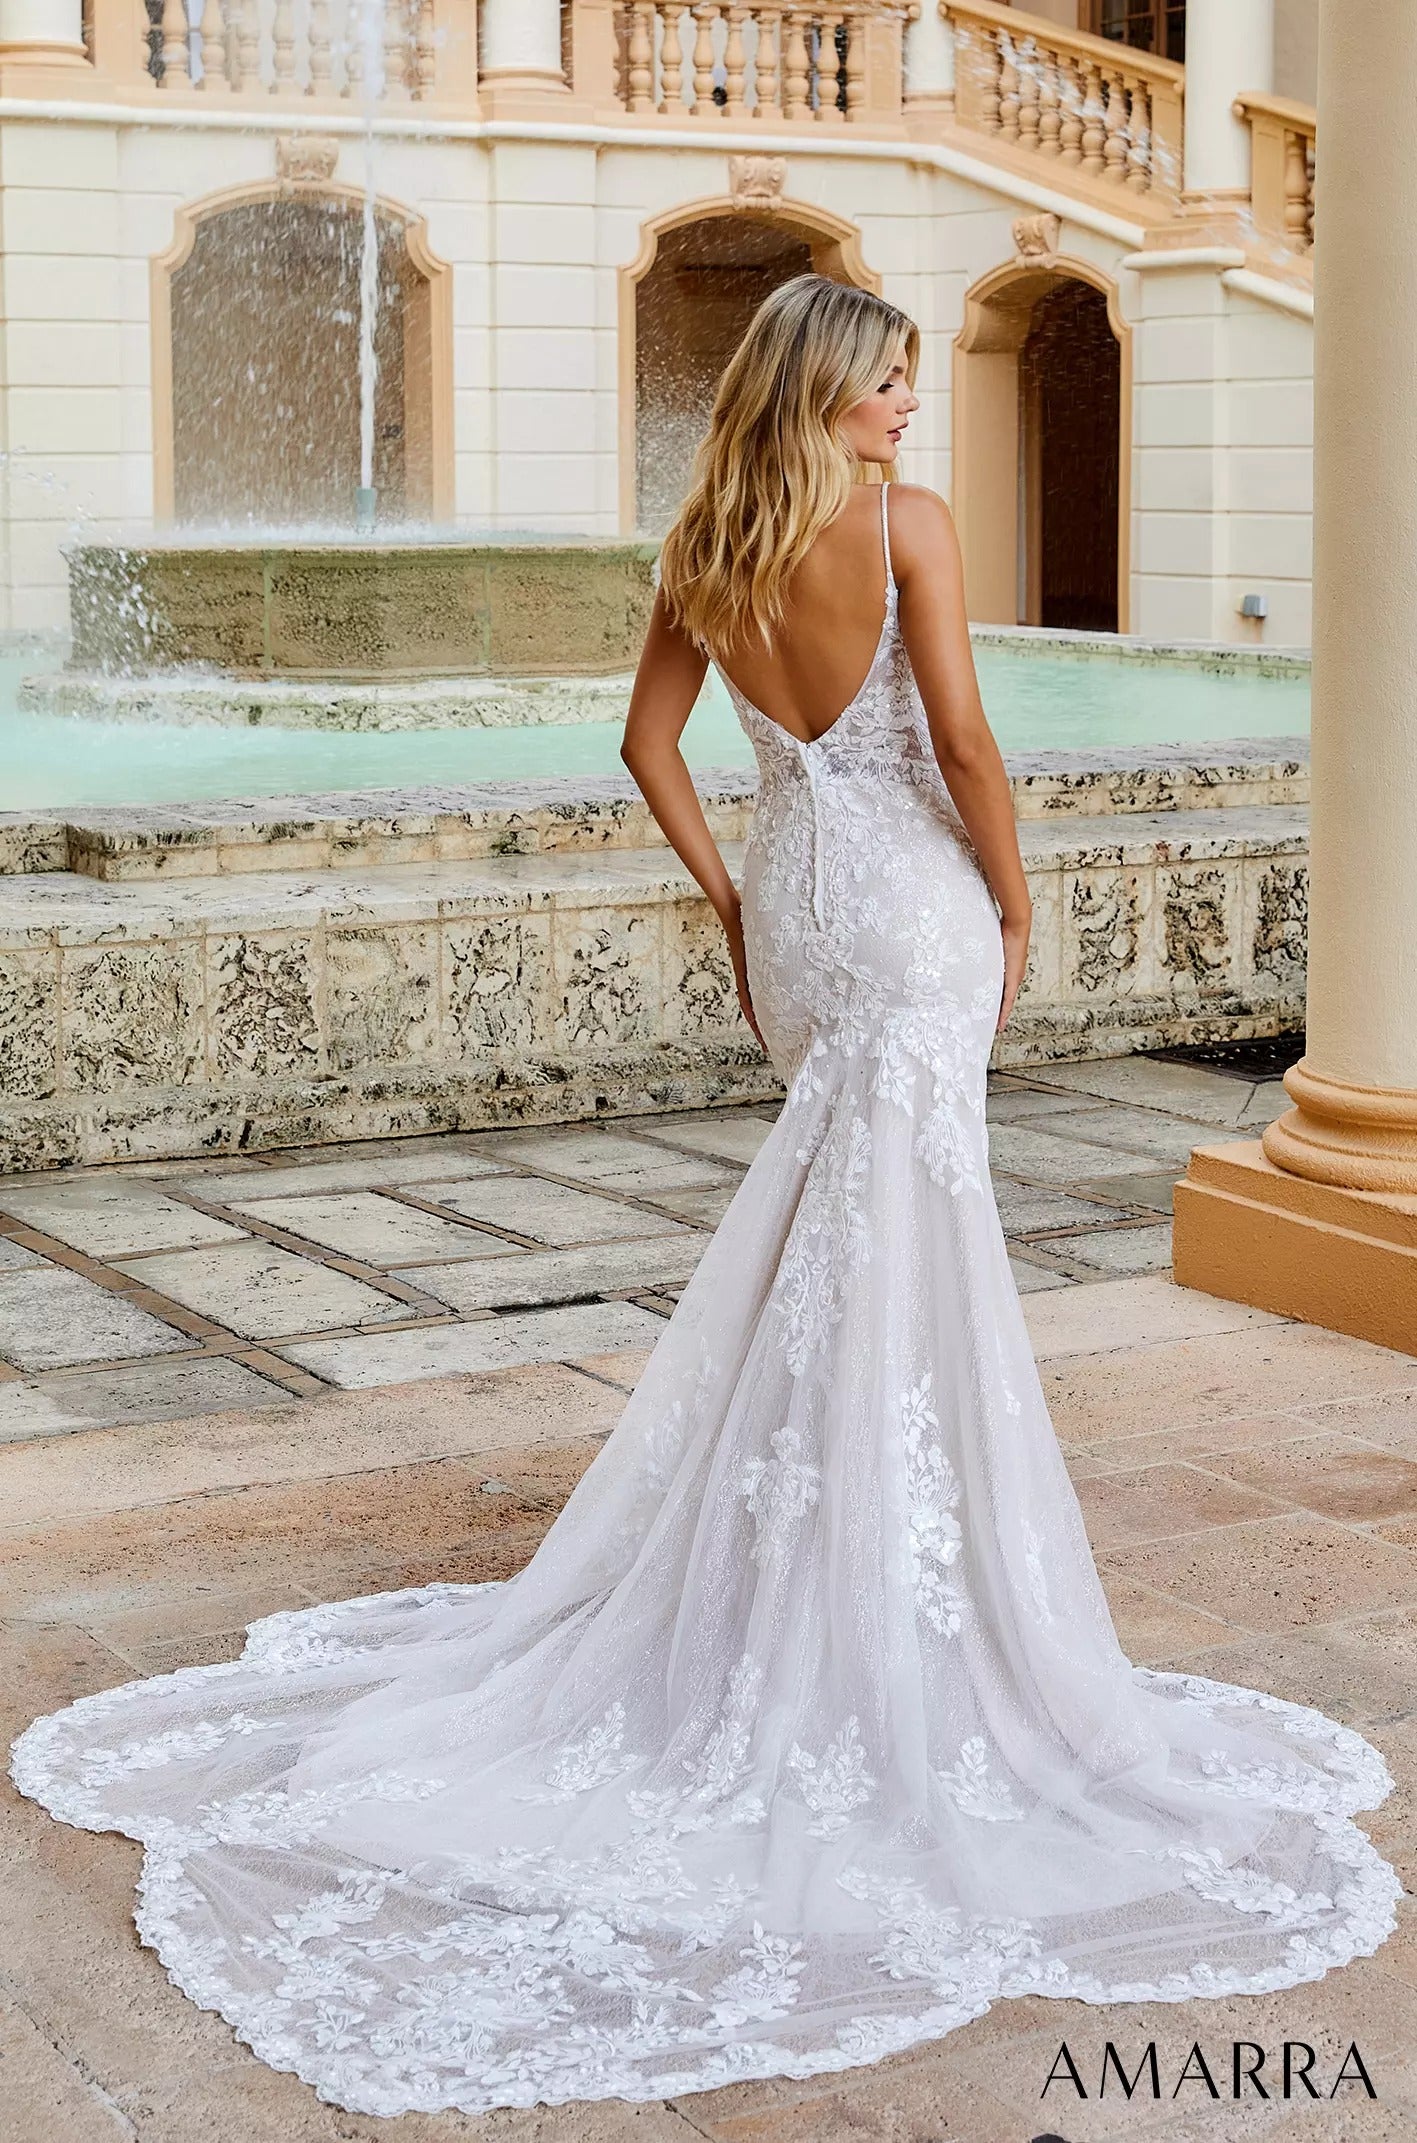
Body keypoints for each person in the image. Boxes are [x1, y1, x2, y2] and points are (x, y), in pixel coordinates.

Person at [10, 276, 1397, 2122]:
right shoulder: (902, 524)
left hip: (803, 911)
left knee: (845, 1236)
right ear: (828, 388)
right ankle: (886, 1587)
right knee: (908, 1239)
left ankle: (798, 1538)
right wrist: (1016, 899)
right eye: (892, 379)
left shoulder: (705, 542)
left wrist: (736, 905)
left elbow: (648, 750)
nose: (913, 402)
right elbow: (970, 746)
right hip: (904, 908)